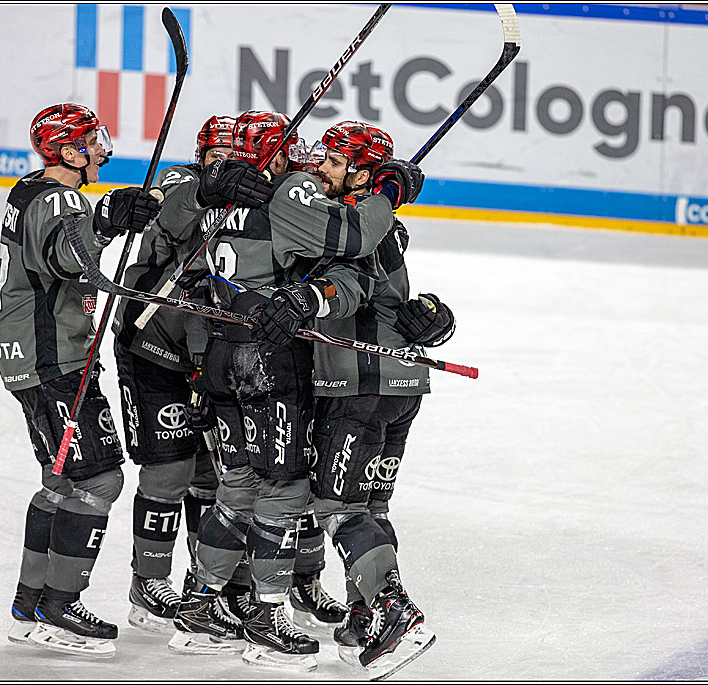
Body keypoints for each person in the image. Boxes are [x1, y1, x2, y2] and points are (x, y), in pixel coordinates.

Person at [162, 109, 424, 672]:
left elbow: (184, 250)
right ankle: (265, 614)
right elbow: (353, 241)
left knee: (239, 486)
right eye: (301, 153)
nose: (308, 162)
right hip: (271, 363)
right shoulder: (292, 196)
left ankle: (200, 603)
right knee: (285, 489)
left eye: (326, 157)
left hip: (221, 354)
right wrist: (389, 192)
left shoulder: (220, 201)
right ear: (274, 157)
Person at [0, 103, 161, 658]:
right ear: (68, 151)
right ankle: (61, 606)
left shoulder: (28, 190)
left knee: (61, 480)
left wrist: (103, 221)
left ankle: (28, 604)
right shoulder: (61, 198)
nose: (102, 148)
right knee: (100, 480)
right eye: (93, 140)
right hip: (55, 364)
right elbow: (68, 261)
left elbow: (62, 249)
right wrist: (108, 221)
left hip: (32, 358)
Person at [305, 121, 455, 678]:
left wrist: (309, 298)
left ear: (362, 172)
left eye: (334, 161)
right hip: (400, 384)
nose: (321, 167)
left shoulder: (352, 224)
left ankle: (394, 611)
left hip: (358, 382)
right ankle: (365, 615)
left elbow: (349, 287)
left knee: (337, 506)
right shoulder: (378, 220)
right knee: (371, 507)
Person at [112, 114, 272, 633]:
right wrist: (208, 190)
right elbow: (172, 219)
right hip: (154, 346)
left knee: (217, 476)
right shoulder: (181, 183)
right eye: (214, 157)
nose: (223, 164)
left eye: (234, 158)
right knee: (170, 468)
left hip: (213, 354)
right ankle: (148, 579)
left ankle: (208, 587)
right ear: (200, 155)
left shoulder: (257, 198)